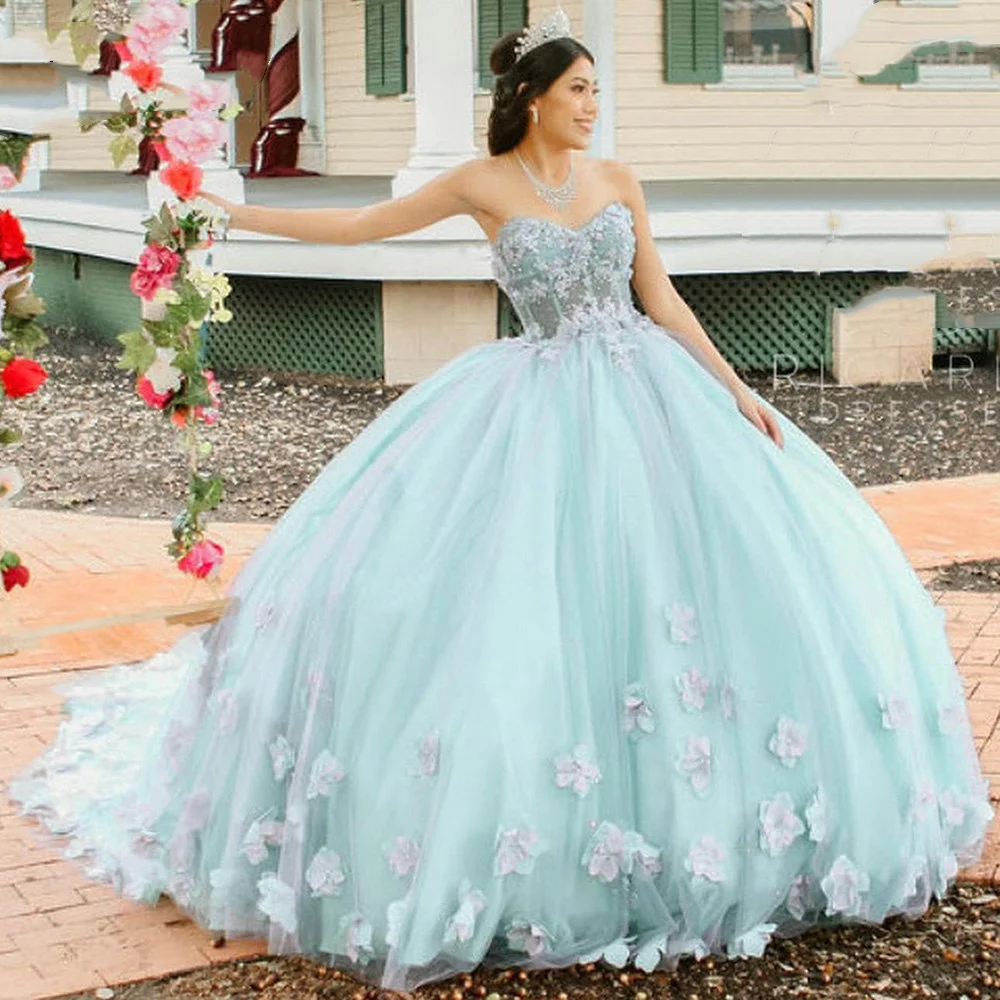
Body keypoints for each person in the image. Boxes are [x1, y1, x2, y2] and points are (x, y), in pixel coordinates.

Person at [9, 8, 992, 995]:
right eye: (578, 91)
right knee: (522, 601)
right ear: (531, 97)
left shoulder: (616, 182)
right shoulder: (482, 183)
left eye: (597, 94)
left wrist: (734, 390)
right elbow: (358, 225)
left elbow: (662, 294)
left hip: (655, 400)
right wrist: (233, 214)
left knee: (688, 585)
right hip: (533, 402)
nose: (592, 108)